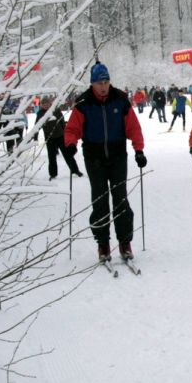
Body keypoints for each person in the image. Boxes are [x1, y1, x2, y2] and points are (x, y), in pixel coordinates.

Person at [64, 62, 146, 262]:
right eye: (100, 82)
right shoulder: (83, 103)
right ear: (92, 84)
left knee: (120, 199)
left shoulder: (120, 100)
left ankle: (125, 242)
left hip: (118, 155)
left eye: (106, 81)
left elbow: (133, 127)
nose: (103, 86)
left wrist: (139, 150)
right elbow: (72, 128)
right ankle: (103, 244)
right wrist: (71, 144)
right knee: (100, 201)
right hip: (94, 157)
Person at [35, 96, 83, 180]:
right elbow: (37, 125)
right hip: (49, 138)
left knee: (67, 154)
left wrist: (66, 132)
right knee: (51, 157)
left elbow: (62, 121)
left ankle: (75, 170)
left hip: (60, 136)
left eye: (47, 103)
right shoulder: (40, 113)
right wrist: (35, 136)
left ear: (50, 104)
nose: (46, 105)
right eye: (44, 104)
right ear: (41, 105)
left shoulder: (56, 110)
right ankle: (53, 174)